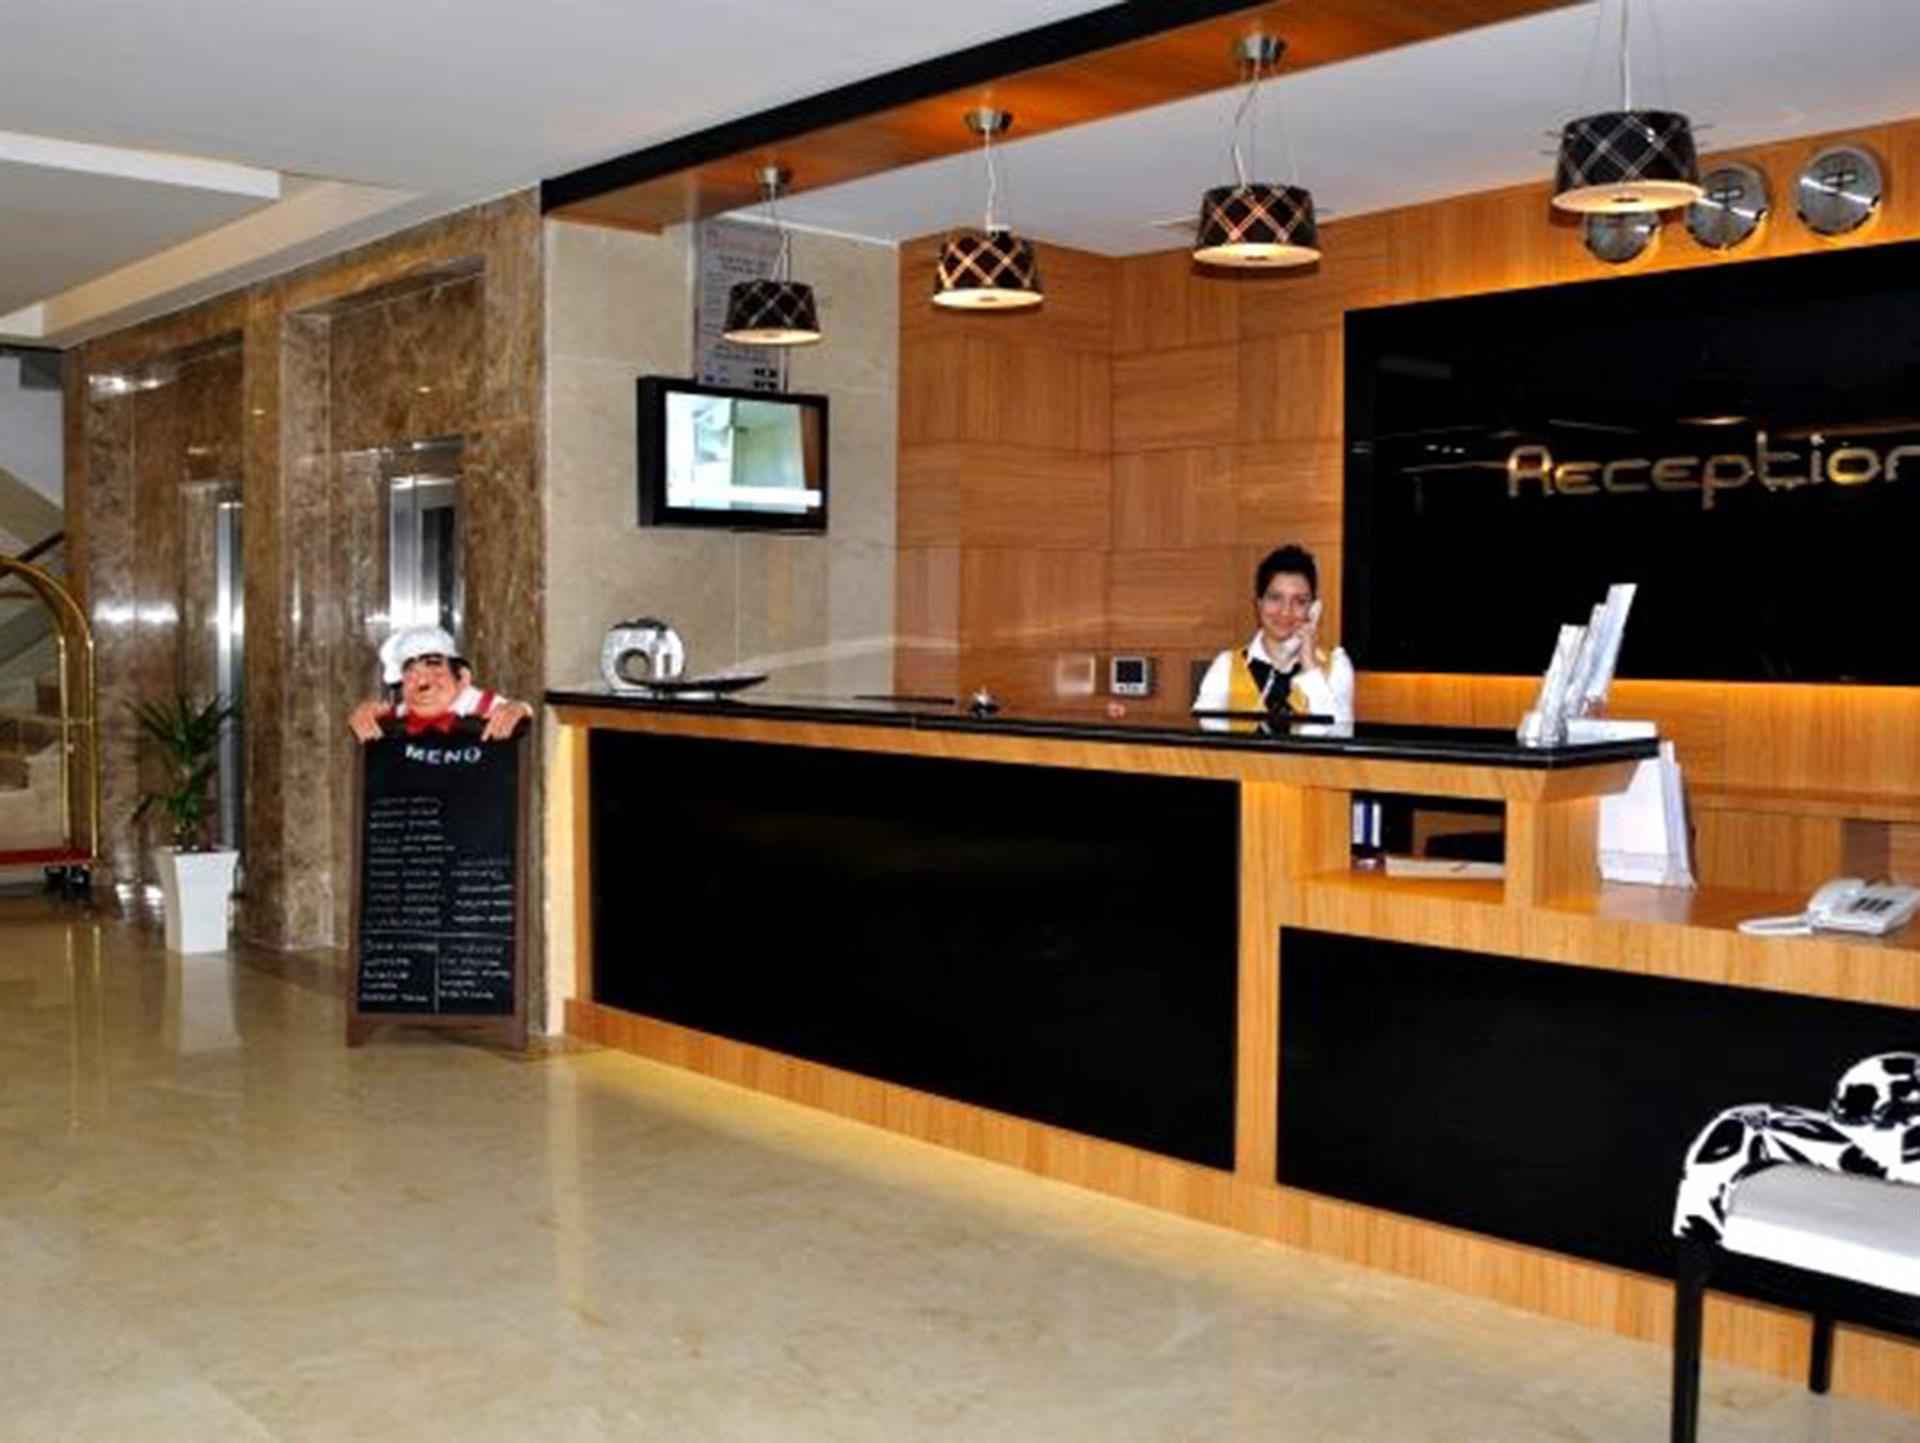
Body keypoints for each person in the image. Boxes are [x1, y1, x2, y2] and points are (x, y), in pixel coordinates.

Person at [1193, 545, 1355, 724]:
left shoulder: (1336, 665)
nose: (1286, 611)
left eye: (1300, 601)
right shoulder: (1225, 666)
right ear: (1258, 604)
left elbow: (1338, 735)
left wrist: (1310, 667)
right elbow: (1207, 738)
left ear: (1313, 609)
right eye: (1275, 598)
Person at [346, 625, 532, 742]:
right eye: (411, 674)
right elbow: (373, 716)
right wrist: (366, 715)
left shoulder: (481, 704)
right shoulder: (400, 714)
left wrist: (518, 710)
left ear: (462, 678)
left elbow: (521, 712)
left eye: (435, 668)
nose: (422, 681)